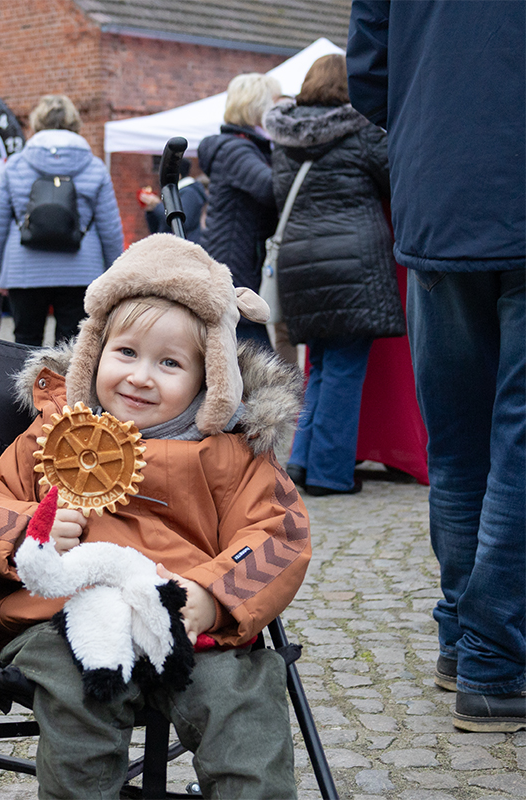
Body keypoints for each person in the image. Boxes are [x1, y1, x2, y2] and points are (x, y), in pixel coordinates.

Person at [0, 233, 310, 798]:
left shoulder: (229, 452)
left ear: (210, 378)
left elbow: (279, 534)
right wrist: (36, 528)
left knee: (241, 705)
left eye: (169, 363)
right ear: (94, 353)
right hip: (68, 619)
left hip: (185, 622)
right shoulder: (54, 436)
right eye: (125, 353)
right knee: (76, 696)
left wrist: (214, 595)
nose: (140, 376)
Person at [347, 0, 525, 731]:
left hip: (437, 193)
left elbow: (368, 76)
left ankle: (462, 636)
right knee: (512, 442)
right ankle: (493, 658)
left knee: (457, 443)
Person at [262, 54, 405, 497]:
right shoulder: (361, 132)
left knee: (320, 366)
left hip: (299, 264)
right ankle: (329, 474)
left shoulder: (283, 138)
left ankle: (302, 460)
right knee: (344, 371)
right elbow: (396, 179)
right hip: (352, 264)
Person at [0, 94, 123, 347]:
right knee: (71, 346)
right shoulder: (94, 167)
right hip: (81, 271)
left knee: (26, 341)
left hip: (23, 270)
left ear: (37, 123)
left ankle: (30, 376)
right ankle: (66, 376)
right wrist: (114, 274)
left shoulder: (15, 165)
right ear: (74, 123)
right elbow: (110, 227)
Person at [198, 73, 281, 348]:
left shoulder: (244, 147)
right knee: (251, 353)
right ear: (258, 107)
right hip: (236, 266)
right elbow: (270, 187)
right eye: (273, 103)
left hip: (238, 262)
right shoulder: (236, 150)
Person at [138, 158, 208, 244]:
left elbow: (181, 223)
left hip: (184, 246)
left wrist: (158, 205)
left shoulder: (189, 193)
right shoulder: (174, 193)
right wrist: (151, 211)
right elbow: (158, 229)